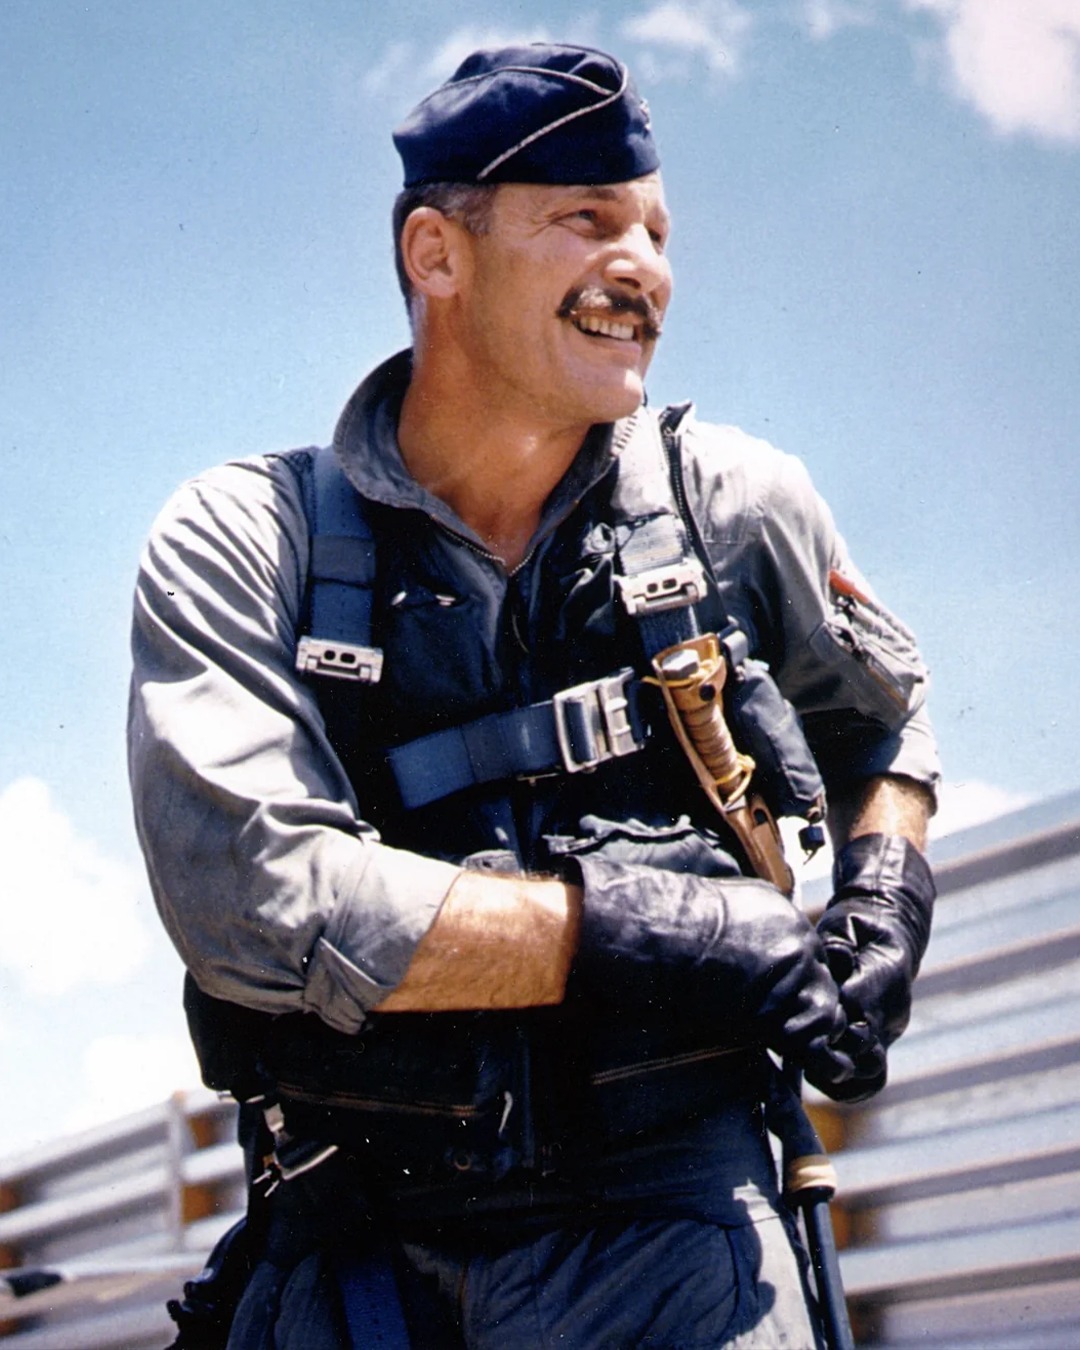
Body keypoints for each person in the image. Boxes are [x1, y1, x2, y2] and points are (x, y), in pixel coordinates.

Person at [129, 42, 940, 1350]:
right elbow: (255, 902)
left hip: (682, 1251)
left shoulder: (732, 506)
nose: (644, 267)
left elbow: (882, 722)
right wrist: (642, 933)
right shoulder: (248, 541)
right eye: (588, 219)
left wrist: (887, 890)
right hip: (356, 1254)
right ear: (436, 255)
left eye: (657, 233)